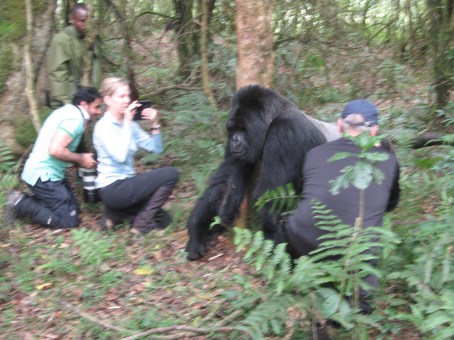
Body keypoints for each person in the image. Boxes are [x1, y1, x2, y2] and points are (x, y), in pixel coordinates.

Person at [281, 99, 400, 311]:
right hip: (356, 247)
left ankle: (311, 291)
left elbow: (305, 191)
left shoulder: (315, 153)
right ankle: (358, 306)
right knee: (370, 237)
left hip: (303, 238)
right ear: (374, 130)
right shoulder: (388, 160)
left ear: (339, 125)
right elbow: (391, 204)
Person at [5, 87, 103, 228]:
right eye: (97, 107)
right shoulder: (75, 120)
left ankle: (32, 202)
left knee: (75, 210)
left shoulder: (67, 111)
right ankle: (19, 201)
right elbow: (55, 150)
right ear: (84, 104)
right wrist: (81, 159)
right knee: (69, 221)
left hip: (44, 173)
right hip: (44, 176)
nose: (99, 112)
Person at [93, 77, 179, 234]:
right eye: (121, 96)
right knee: (171, 174)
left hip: (128, 185)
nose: (127, 100)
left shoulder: (130, 124)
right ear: (107, 99)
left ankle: (114, 216)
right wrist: (126, 123)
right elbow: (120, 156)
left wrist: (154, 124)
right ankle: (142, 224)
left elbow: (156, 149)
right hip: (112, 188)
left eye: (128, 96)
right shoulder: (103, 127)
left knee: (164, 220)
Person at [47, 3, 102, 109]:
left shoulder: (90, 39)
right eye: (81, 21)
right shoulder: (62, 40)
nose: (85, 25)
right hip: (69, 101)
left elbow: (95, 68)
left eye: (87, 21)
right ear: (72, 19)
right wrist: (67, 104)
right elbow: (57, 74)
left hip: (88, 99)